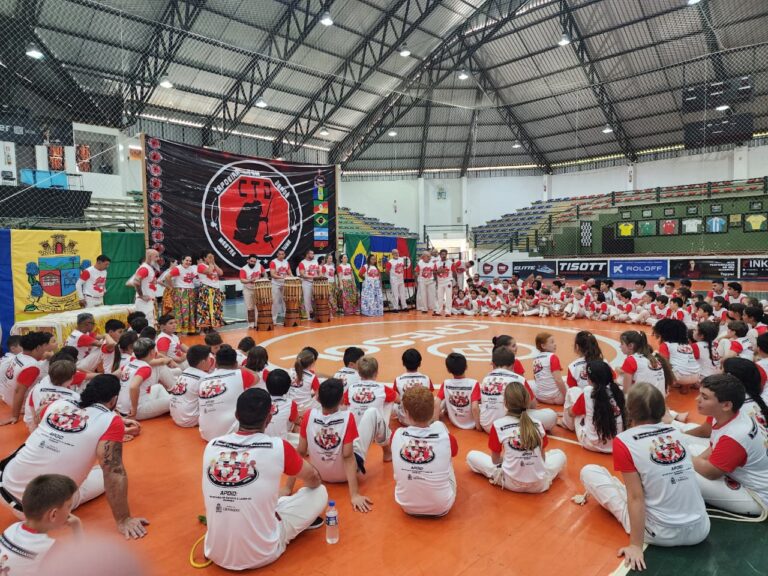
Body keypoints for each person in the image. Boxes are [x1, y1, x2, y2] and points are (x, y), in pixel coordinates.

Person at [579, 383, 710, 572]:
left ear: (629, 410)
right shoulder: (676, 432)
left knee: (589, 472)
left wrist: (635, 546)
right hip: (701, 529)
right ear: (662, 409)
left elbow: (635, 497)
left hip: (661, 533)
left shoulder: (624, 441)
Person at [0, 375, 148, 538]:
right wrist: (124, 519)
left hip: (5, 485)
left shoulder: (59, 403)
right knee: (102, 471)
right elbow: (113, 472)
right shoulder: (110, 421)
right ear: (113, 400)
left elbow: (40, 416)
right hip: (37, 512)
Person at [202, 388, 327, 571]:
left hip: (215, 552)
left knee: (271, 500)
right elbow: (314, 479)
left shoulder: (212, 446)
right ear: (269, 418)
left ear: (237, 415)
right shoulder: (278, 446)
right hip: (263, 553)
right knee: (319, 492)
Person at [467, 381, 566, 493]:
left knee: (471, 456)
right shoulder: (538, 423)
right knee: (559, 454)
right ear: (527, 400)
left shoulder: (498, 425)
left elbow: (495, 461)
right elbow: (542, 459)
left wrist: (512, 459)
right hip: (539, 485)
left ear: (505, 403)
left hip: (510, 482)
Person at [691, 374, 768, 516]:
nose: (697, 399)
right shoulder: (730, 416)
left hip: (757, 497)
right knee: (686, 453)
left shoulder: (735, 435)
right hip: (743, 475)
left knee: (681, 472)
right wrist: (695, 459)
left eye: (705, 397)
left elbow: (711, 472)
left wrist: (688, 460)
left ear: (726, 405)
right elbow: (714, 446)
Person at [291, 379, 373, 512]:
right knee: (372, 414)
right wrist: (354, 495)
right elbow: (347, 456)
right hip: (344, 475)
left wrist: (288, 487)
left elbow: (300, 452)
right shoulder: (348, 417)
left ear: (317, 398)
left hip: (319, 474)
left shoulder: (308, 415)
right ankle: (387, 450)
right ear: (341, 400)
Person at [391, 386, 458, 516]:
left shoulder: (396, 435)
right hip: (442, 507)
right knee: (441, 430)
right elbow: (453, 454)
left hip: (406, 505)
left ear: (407, 413)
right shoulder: (447, 438)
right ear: (432, 411)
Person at [0, 474, 81, 574]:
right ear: (53, 514)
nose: (69, 511)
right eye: (68, 507)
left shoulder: (11, 529)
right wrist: (77, 527)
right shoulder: (49, 548)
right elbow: (81, 564)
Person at [480, 346, 556, 432]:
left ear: (493, 364)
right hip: (509, 426)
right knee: (551, 415)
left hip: (487, 425)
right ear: (513, 365)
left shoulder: (486, 378)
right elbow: (533, 405)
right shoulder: (519, 379)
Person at [563, 361, 627, 453]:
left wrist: (570, 408)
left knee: (572, 391)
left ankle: (566, 424)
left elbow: (572, 413)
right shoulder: (619, 390)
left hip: (592, 444)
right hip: (617, 443)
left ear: (590, 379)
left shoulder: (588, 392)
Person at [198, 346, 258, 441]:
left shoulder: (203, 380)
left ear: (216, 364)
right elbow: (256, 377)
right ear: (235, 363)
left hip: (205, 434)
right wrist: (240, 367)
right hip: (229, 433)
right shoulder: (241, 374)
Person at [344, 356, 397, 461]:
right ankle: (386, 451)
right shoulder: (382, 388)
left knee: (347, 404)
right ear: (376, 373)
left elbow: (343, 403)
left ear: (359, 373)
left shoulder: (350, 388)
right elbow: (399, 399)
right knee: (390, 402)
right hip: (375, 431)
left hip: (353, 430)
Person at [0, 332, 52, 426]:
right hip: (19, 405)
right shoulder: (32, 367)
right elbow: (18, 391)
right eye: (45, 346)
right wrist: (14, 416)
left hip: (6, 396)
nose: (46, 349)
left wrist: (49, 356)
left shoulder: (19, 355)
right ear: (38, 347)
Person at [119, 338, 172, 421]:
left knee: (158, 387)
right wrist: (134, 409)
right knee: (175, 399)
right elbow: (133, 387)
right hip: (136, 410)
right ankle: (170, 406)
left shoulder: (130, 363)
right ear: (151, 352)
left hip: (122, 407)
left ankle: (169, 407)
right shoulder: (145, 368)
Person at [24, 359, 82, 432]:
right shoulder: (75, 396)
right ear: (71, 378)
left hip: (39, 429)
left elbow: (33, 411)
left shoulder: (37, 389)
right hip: (60, 431)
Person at [434, 353, 480, 431]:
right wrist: (478, 427)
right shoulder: (474, 383)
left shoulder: (446, 383)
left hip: (454, 421)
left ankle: (445, 412)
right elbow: (475, 408)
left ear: (448, 370)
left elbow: (437, 403)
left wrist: (435, 423)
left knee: (441, 398)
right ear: (466, 367)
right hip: (472, 424)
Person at [169, 344, 212, 428]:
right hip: (189, 420)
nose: (211, 360)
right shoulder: (204, 377)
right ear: (203, 362)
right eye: (209, 358)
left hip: (175, 416)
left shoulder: (184, 372)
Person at [653, 318, 700, 393]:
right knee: (683, 362)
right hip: (696, 375)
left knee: (656, 356)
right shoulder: (687, 345)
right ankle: (686, 386)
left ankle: (672, 384)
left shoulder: (665, 345)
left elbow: (665, 364)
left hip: (680, 376)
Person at [393, 348, 433, 425]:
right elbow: (429, 397)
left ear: (403, 363)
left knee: (392, 404)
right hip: (423, 419)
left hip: (405, 419)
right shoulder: (426, 379)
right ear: (420, 363)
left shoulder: (398, 380)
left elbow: (396, 399)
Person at [263, 369, 299, 446]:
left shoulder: (260, 399)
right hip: (281, 445)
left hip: (260, 442)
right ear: (287, 388)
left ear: (267, 384)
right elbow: (296, 421)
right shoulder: (291, 404)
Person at [531, 332, 566, 405]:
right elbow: (558, 379)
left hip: (540, 397)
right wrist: (566, 396)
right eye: (552, 342)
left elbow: (536, 379)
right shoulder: (552, 357)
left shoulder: (535, 359)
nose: (555, 344)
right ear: (543, 346)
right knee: (569, 385)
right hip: (557, 398)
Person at [196, 251, 224, 332]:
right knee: (206, 309)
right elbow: (209, 272)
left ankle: (212, 326)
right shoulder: (201, 266)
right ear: (204, 258)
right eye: (209, 257)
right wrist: (211, 264)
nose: (212, 258)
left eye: (213, 257)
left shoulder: (213, 265)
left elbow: (220, 273)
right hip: (207, 290)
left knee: (215, 309)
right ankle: (205, 327)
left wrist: (214, 263)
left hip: (215, 290)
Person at [287, 349, 320, 415]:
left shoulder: (290, 371)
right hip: (305, 408)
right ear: (312, 364)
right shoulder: (312, 377)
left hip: (290, 406)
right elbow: (319, 396)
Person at [132, 249, 160, 326]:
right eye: (156, 256)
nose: (158, 259)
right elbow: (136, 282)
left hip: (149, 301)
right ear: (150, 256)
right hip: (144, 302)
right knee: (147, 324)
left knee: (151, 323)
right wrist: (141, 295)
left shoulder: (149, 268)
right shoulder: (144, 268)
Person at [240, 254, 266, 329]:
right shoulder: (243, 269)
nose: (253, 263)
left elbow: (264, 274)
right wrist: (251, 280)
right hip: (247, 289)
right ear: (248, 260)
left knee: (258, 306)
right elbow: (242, 280)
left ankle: (257, 322)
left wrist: (264, 278)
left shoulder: (259, 266)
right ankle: (251, 324)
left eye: (254, 262)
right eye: (251, 261)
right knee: (250, 307)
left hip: (257, 289)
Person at [268, 249, 292, 323]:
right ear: (277, 255)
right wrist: (282, 277)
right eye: (280, 254)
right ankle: (273, 319)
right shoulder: (273, 262)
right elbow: (272, 274)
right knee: (275, 302)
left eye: (283, 254)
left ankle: (286, 318)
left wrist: (293, 277)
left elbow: (289, 272)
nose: (281, 255)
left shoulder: (286, 262)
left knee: (285, 301)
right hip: (275, 283)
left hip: (284, 283)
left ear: (284, 255)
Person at [297, 250, 320, 319]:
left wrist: (320, 275)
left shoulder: (315, 261)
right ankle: (308, 316)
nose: (313, 255)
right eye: (311, 254)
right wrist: (313, 277)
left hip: (315, 283)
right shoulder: (302, 263)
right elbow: (302, 274)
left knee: (316, 298)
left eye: (313, 254)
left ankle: (316, 314)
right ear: (307, 254)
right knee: (307, 299)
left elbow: (318, 270)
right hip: (306, 282)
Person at [434, 249, 453, 316]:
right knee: (439, 297)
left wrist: (455, 281)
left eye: (445, 254)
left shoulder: (450, 263)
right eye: (442, 254)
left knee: (448, 297)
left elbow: (454, 272)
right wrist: (439, 271)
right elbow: (434, 272)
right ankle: (438, 311)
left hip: (448, 281)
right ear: (440, 255)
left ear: (446, 255)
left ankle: (448, 312)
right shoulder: (437, 263)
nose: (444, 256)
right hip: (440, 282)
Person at [319, 254, 338, 319]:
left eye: (331, 258)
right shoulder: (324, 267)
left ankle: (333, 313)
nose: (331, 260)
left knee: (334, 298)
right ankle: (329, 313)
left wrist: (336, 284)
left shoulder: (333, 266)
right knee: (329, 298)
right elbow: (323, 276)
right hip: (327, 284)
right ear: (326, 259)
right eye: (329, 258)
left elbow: (334, 276)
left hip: (333, 284)